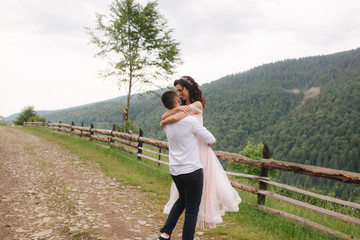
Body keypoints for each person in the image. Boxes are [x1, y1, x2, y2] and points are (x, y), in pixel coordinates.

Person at [161, 76, 241, 230]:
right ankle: (178, 225)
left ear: (188, 88)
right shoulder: (182, 106)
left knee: (203, 185)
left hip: (201, 150)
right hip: (190, 149)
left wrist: (166, 119)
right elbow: (166, 116)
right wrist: (174, 110)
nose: (179, 94)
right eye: (177, 92)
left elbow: (175, 117)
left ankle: (200, 217)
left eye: (180, 90)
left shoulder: (197, 104)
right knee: (187, 192)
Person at [159, 91, 216, 240]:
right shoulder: (191, 121)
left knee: (182, 200)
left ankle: (165, 234)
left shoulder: (165, 125)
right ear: (178, 100)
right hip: (192, 170)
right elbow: (211, 140)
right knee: (191, 211)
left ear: (166, 106)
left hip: (176, 170)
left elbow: (167, 119)